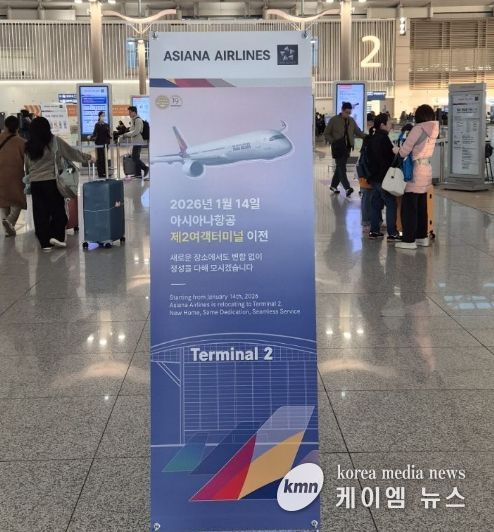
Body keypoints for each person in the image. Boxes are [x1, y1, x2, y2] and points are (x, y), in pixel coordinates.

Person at [25, 117, 93, 251]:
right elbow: (72, 153)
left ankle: (45, 243)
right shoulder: (54, 141)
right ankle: (57, 236)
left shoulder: (28, 145)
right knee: (58, 211)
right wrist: (89, 157)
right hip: (51, 182)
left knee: (40, 213)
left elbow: (27, 165)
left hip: (35, 183)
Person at [396, 104, 439, 250]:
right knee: (421, 205)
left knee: (409, 207)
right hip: (427, 169)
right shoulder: (434, 129)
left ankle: (409, 240)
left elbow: (404, 152)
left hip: (415, 171)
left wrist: (395, 149)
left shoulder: (418, 129)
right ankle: (422, 237)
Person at [366, 113, 401, 242]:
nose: (391, 124)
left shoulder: (372, 138)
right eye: (389, 122)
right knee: (391, 203)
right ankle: (392, 233)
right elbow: (389, 158)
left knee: (376, 204)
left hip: (374, 177)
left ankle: (374, 231)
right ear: (382, 125)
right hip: (384, 177)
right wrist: (395, 152)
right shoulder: (384, 139)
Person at [324, 102, 366, 197]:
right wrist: (333, 141)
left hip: (347, 148)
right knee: (342, 167)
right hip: (338, 147)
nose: (348, 114)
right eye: (346, 112)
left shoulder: (351, 121)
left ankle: (333, 186)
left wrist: (368, 137)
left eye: (349, 113)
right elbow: (326, 133)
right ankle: (347, 188)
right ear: (342, 110)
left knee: (340, 167)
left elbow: (358, 132)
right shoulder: (334, 120)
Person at [0, 116, 27, 237]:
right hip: (16, 175)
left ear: (5, 126)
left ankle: (8, 230)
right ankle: (10, 221)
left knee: (3, 201)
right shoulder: (22, 142)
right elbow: (28, 160)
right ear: (17, 127)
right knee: (18, 201)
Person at [122, 106, 149, 179]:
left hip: (138, 141)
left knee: (134, 157)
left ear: (134, 112)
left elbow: (136, 131)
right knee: (136, 157)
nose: (129, 114)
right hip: (135, 141)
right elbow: (132, 130)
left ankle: (145, 168)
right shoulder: (134, 120)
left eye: (130, 112)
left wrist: (126, 134)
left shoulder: (138, 120)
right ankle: (138, 174)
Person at [90, 111, 111, 178]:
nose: (103, 117)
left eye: (104, 115)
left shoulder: (106, 125)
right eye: (102, 115)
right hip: (99, 144)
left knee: (105, 158)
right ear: (99, 116)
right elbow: (94, 133)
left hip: (105, 144)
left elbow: (108, 135)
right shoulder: (97, 125)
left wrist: (108, 142)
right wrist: (91, 137)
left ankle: (105, 172)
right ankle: (100, 173)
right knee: (100, 159)